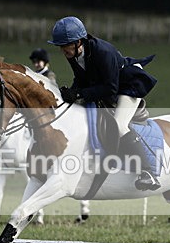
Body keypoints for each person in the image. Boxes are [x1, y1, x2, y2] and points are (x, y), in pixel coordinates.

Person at [48, 16, 160, 191]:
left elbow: (110, 89)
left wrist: (79, 93)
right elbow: (81, 77)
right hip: (107, 86)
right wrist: (71, 92)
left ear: (78, 42)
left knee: (119, 125)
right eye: (60, 46)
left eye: (65, 45)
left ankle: (148, 172)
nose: (63, 50)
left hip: (127, 85)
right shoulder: (74, 53)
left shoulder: (103, 52)